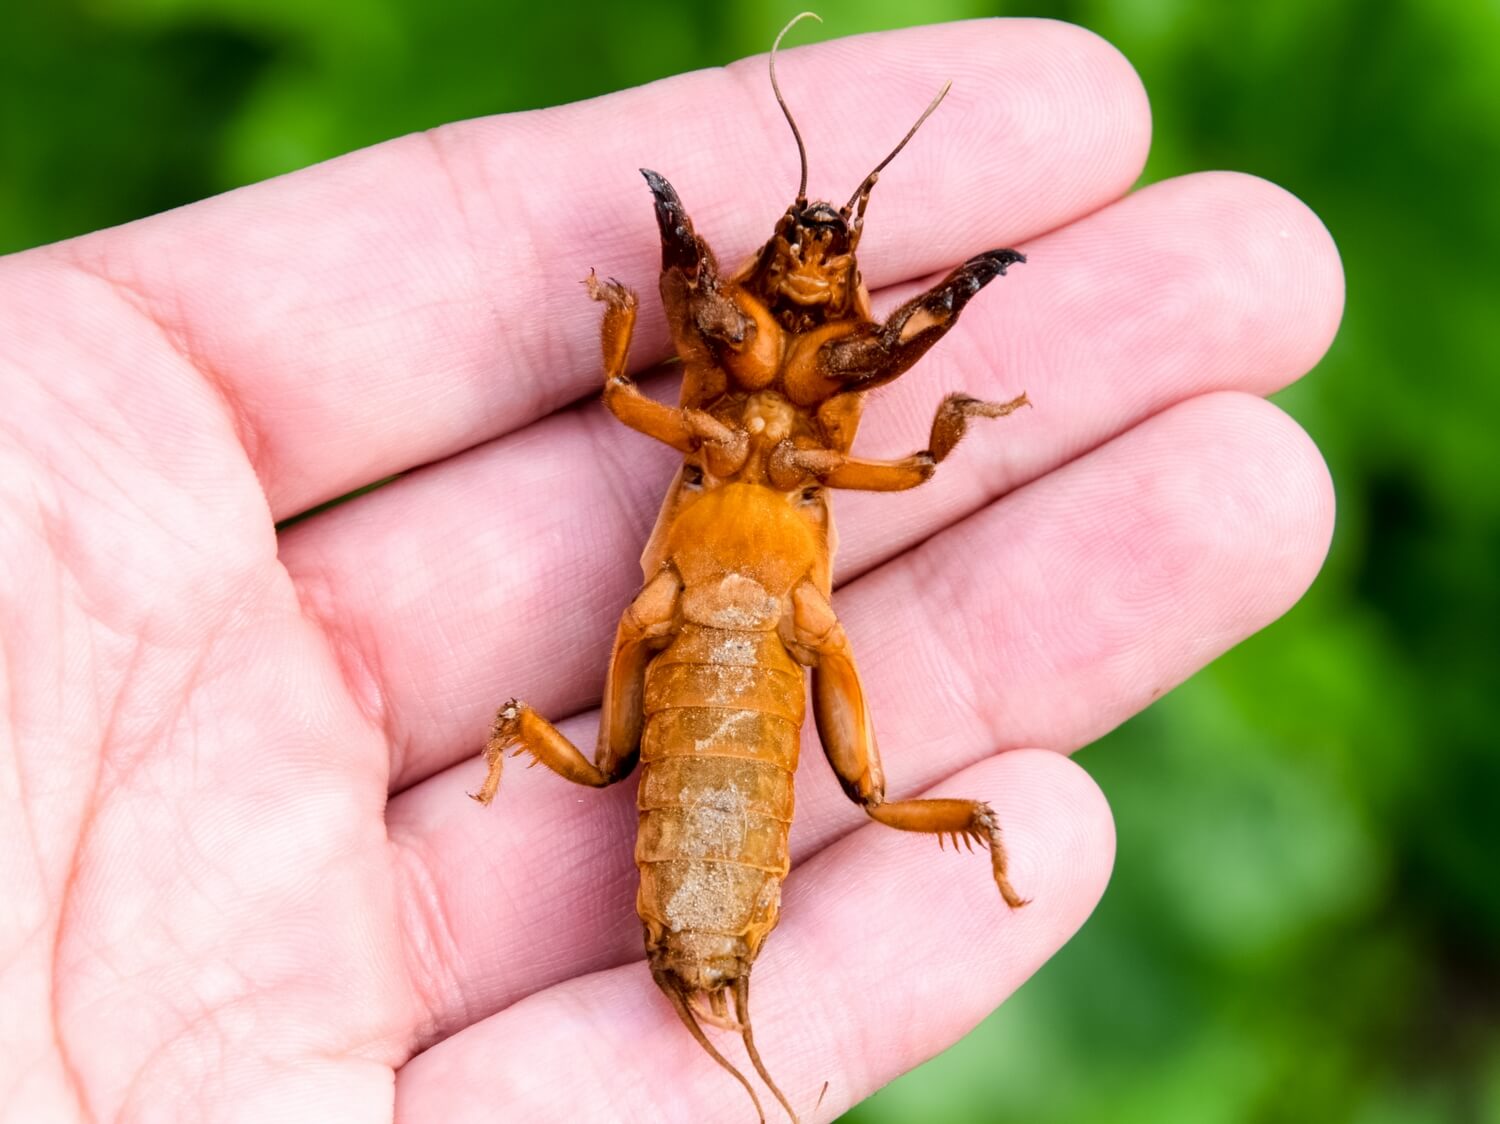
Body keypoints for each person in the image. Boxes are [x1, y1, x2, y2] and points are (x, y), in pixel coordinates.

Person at [0, 20, 1341, 1123]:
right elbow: (647, 389)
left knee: (868, 788)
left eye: (839, 268)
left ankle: (896, 864)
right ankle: (733, 885)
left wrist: (944, 367)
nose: (815, 290)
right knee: (713, 767)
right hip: (712, 644)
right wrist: (666, 287)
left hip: (756, 648)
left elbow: (902, 456)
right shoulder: (741, 395)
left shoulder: (782, 405)